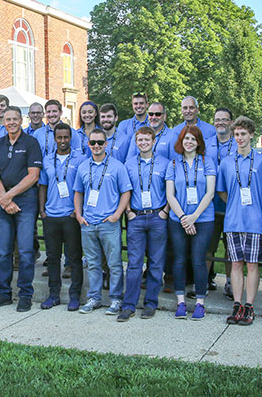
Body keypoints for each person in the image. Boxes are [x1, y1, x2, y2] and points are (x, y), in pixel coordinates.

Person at [0, 106, 43, 312]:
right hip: (4, 199)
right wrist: (5, 199)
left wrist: (9, 196)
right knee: (4, 250)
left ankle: (25, 295)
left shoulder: (31, 143)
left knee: (26, 251)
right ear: (3, 121)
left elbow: (33, 175)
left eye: (15, 119)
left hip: (25, 200)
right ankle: (3, 294)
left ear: (21, 120)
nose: (11, 122)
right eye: (7, 119)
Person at [216, 116, 262, 325]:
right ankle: (237, 305)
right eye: (236, 134)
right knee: (236, 264)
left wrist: (258, 205)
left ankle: (250, 306)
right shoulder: (228, 162)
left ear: (251, 135)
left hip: (255, 221)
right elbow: (221, 191)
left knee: (252, 264)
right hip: (233, 221)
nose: (239, 138)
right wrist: (234, 204)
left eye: (243, 134)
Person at [74, 129, 131, 315]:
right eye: (93, 143)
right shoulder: (83, 167)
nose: (96, 146)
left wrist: (116, 215)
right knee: (92, 263)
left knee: (114, 263)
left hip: (109, 223)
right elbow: (78, 193)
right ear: (88, 144)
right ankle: (94, 298)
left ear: (106, 144)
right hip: (88, 223)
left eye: (100, 142)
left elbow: (126, 192)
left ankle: (115, 299)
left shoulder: (117, 166)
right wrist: (79, 215)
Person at [165, 125, 217, 320]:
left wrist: (193, 217)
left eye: (193, 139)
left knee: (198, 260)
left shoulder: (208, 162)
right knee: (178, 260)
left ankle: (200, 303)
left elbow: (210, 192)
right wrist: (183, 218)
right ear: (181, 141)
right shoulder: (173, 164)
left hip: (202, 219)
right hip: (178, 219)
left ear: (198, 142)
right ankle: (180, 302)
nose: (189, 142)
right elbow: (170, 194)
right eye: (186, 139)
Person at [121, 126, 171, 321]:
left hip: (158, 217)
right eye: (140, 140)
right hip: (137, 218)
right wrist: (128, 212)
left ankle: (150, 303)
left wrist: (165, 211)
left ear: (154, 142)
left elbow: (170, 191)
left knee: (156, 263)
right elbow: (123, 190)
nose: (143, 143)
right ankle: (129, 305)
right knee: (134, 263)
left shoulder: (165, 164)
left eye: (147, 140)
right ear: (136, 142)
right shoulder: (129, 164)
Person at [37, 123, 86, 311]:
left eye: (66, 137)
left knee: (74, 258)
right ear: (55, 138)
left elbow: (83, 187)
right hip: (51, 215)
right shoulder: (47, 159)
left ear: (70, 138)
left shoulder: (80, 159)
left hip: (71, 215)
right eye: (60, 137)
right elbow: (43, 185)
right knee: (52, 257)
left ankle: (75, 296)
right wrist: (42, 210)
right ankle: (53, 294)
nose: (63, 141)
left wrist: (77, 211)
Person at [208, 107, 235, 294]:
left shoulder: (237, 144)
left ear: (231, 122)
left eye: (225, 119)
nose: (221, 123)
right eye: (218, 120)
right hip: (209, 205)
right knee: (208, 247)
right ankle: (204, 282)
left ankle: (230, 282)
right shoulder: (206, 144)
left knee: (230, 248)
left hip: (232, 206)